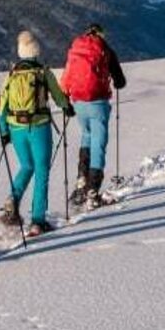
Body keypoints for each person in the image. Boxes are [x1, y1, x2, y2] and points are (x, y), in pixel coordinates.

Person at [0, 30, 73, 237]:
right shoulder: (42, 72)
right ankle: (37, 221)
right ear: (36, 51)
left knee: (26, 165)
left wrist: (4, 132)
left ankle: (13, 199)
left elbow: (1, 107)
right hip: (39, 126)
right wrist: (67, 107)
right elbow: (58, 96)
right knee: (41, 171)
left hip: (16, 128)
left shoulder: (11, 75)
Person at [60, 22, 126, 209]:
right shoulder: (105, 50)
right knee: (99, 144)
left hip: (79, 103)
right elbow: (120, 81)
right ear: (100, 34)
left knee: (87, 136)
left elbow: (66, 77)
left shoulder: (75, 50)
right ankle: (93, 192)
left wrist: (66, 102)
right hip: (98, 103)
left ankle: (81, 181)